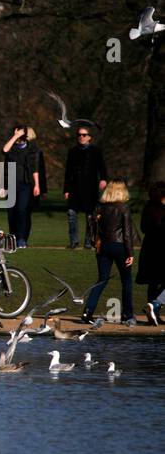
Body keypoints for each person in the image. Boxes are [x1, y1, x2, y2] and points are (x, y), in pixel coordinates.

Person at [81, 180, 139, 325]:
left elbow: (93, 227)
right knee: (126, 281)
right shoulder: (124, 207)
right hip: (120, 246)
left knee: (102, 280)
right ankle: (127, 314)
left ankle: (88, 311)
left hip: (103, 246)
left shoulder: (100, 207)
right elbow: (126, 233)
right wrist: (130, 253)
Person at [63, 124, 108, 249]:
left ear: (90, 137)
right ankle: (74, 241)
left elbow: (102, 167)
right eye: (79, 135)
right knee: (71, 214)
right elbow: (68, 172)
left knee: (90, 216)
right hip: (74, 188)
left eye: (84, 135)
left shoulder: (96, 151)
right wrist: (66, 189)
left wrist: (103, 179)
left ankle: (88, 242)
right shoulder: (72, 151)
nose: (81, 137)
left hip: (90, 188)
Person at [0, 124, 44, 248]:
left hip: (25, 184)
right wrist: (15, 136)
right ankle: (12, 238)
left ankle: (21, 239)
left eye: (21, 132)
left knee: (21, 210)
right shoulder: (12, 147)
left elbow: (34, 167)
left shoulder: (31, 148)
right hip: (10, 184)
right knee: (11, 212)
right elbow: (4, 150)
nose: (20, 133)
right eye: (17, 131)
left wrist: (37, 185)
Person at [136, 182, 165, 320]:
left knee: (153, 282)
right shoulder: (160, 210)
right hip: (160, 249)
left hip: (149, 248)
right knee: (159, 281)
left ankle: (153, 311)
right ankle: (155, 306)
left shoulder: (148, 207)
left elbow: (143, 228)